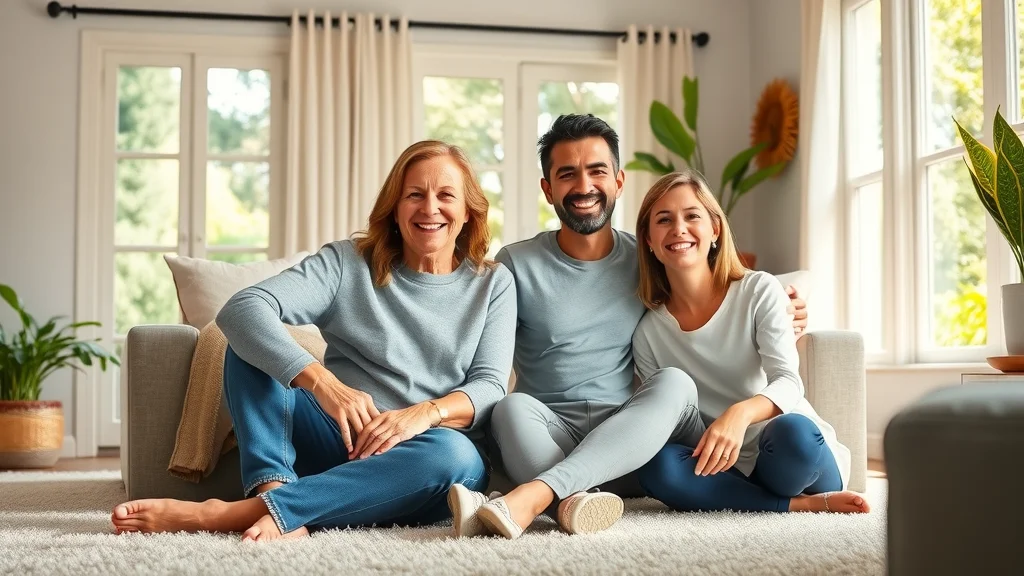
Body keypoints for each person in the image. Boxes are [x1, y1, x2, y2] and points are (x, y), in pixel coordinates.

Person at [110, 140, 518, 540]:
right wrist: (323, 384)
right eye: (415, 194)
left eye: (446, 195)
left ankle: (240, 513)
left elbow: (488, 386)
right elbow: (243, 309)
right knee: (248, 345)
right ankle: (274, 492)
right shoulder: (347, 263)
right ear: (394, 209)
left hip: (426, 457)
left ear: (468, 212)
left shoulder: (493, 283)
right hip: (339, 436)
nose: (430, 208)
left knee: (457, 458)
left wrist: (422, 414)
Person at [447, 114, 809, 540]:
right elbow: (480, 350)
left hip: (632, 442)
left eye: (597, 171)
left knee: (674, 382)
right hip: (546, 438)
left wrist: (789, 308)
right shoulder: (516, 264)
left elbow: (719, 287)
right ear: (548, 189)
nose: (584, 186)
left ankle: (534, 498)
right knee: (510, 407)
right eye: (567, 174)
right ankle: (574, 503)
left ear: (619, 181)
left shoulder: (651, 257)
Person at [630, 169, 869, 514]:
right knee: (658, 467)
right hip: (726, 465)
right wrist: (713, 445)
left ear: (715, 229)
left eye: (691, 216)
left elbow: (788, 382)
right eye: (663, 220)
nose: (678, 229)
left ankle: (779, 495)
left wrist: (739, 415)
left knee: (795, 438)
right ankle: (796, 506)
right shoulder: (648, 335)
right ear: (649, 242)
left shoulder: (758, 289)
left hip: (790, 451)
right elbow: (676, 423)